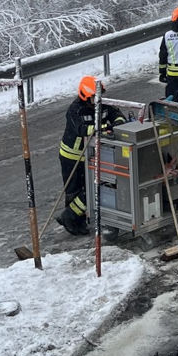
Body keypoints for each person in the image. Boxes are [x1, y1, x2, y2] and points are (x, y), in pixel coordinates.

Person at [57, 76, 127, 236]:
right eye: (93, 97)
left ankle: (71, 216)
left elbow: (117, 114)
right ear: (84, 96)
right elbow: (83, 130)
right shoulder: (75, 110)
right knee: (74, 191)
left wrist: (118, 123)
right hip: (72, 157)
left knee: (91, 188)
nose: (97, 100)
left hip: (91, 155)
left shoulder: (103, 104)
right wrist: (104, 128)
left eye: (99, 95)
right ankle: (73, 220)